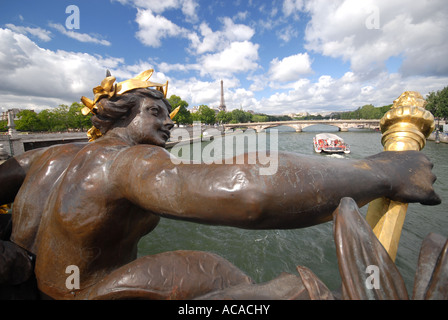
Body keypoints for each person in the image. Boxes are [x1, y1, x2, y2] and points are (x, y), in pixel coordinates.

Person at [0, 70, 441, 300]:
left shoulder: (50, 156)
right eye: (156, 110)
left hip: (30, 288)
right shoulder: (127, 162)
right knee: (232, 276)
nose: (170, 121)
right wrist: (382, 171)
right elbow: (251, 192)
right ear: (123, 114)